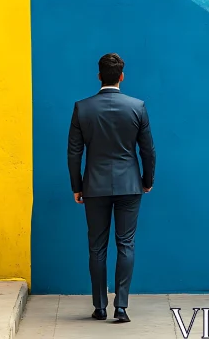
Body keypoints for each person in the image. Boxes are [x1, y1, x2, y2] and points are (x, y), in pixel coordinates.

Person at [67, 53, 156, 323]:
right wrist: (147, 180)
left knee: (97, 247)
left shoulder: (82, 108)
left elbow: (74, 152)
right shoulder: (137, 107)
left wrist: (77, 185)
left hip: (94, 186)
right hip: (130, 184)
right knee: (126, 243)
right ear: (121, 76)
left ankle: (100, 306)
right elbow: (148, 150)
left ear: (98, 76)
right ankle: (122, 307)